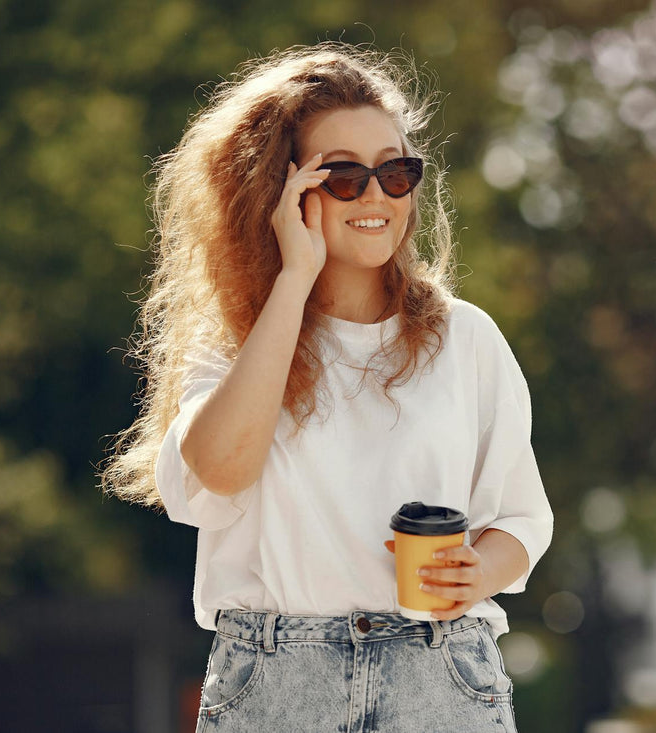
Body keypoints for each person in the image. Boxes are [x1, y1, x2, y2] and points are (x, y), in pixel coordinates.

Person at [102, 42, 553, 732]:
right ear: (280, 189)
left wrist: (479, 570)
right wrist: (293, 280)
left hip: (440, 679)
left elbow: (523, 518)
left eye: (395, 172)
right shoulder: (235, 346)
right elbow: (220, 471)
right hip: (277, 682)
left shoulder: (467, 340)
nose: (376, 196)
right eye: (343, 176)